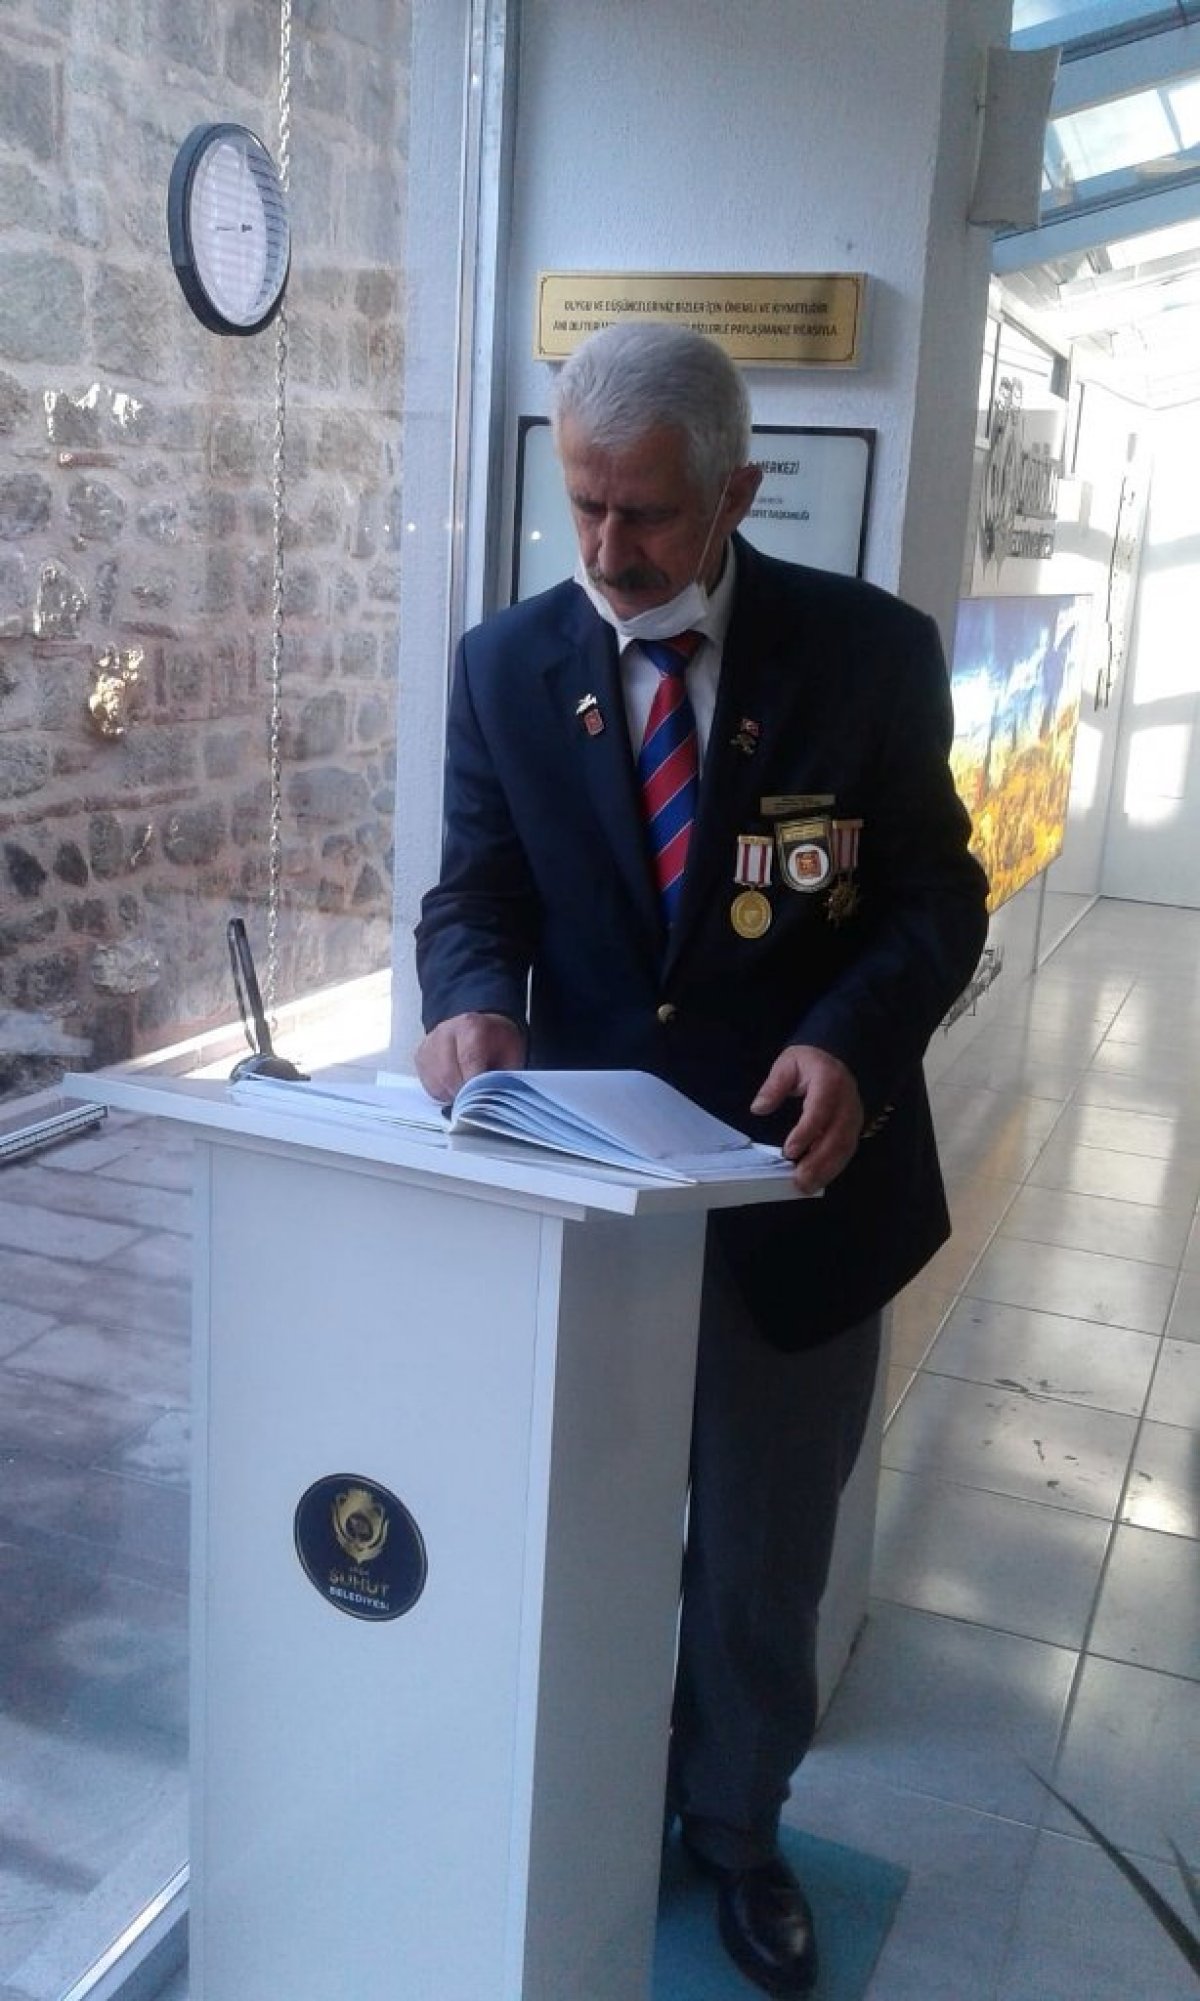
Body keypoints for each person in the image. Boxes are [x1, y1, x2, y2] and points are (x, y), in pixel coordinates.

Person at [415, 321, 988, 1997]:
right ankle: (582, 1799)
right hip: (590, 1203)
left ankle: (737, 1833)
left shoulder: (867, 655)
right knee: (577, 1539)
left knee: (756, 1565)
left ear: (737, 491)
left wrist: (853, 1040)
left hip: (795, 1195)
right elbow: (475, 895)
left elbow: (936, 896)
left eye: (648, 513)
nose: (607, 549)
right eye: (583, 504)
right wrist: (469, 1003)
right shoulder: (505, 665)